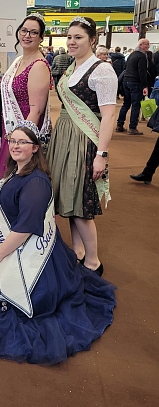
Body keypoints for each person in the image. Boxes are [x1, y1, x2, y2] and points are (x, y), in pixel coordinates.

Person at [0, 124, 116, 365]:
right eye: (13, 141)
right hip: (6, 238)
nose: (15, 146)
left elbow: (26, 227)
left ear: (35, 148)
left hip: (28, 248)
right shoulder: (16, 171)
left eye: (22, 142)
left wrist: (0, 253)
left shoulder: (36, 182)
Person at [47, 16, 118, 276]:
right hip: (64, 137)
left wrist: (101, 154)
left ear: (93, 40)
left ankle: (93, 262)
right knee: (68, 200)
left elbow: (109, 115)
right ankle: (77, 252)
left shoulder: (102, 70)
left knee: (81, 205)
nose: (72, 42)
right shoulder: (71, 68)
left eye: (78, 37)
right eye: (69, 37)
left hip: (84, 141)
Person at [0, 13, 51, 181]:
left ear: (41, 37)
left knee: (17, 175)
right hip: (10, 126)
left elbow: (36, 110)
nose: (27, 35)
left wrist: (20, 141)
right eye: (24, 30)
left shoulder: (38, 65)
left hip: (25, 127)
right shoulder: (19, 61)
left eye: (33, 32)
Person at [116, 38, 150, 135]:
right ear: (140, 45)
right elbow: (142, 72)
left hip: (126, 81)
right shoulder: (142, 56)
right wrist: (145, 86)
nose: (148, 46)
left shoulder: (132, 54)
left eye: (148, 44)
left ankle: (119, 125)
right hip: (136, 83)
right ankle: (132, 128)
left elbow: (125, 68)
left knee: (126, 104)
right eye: (146, 44)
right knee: (136, 106)